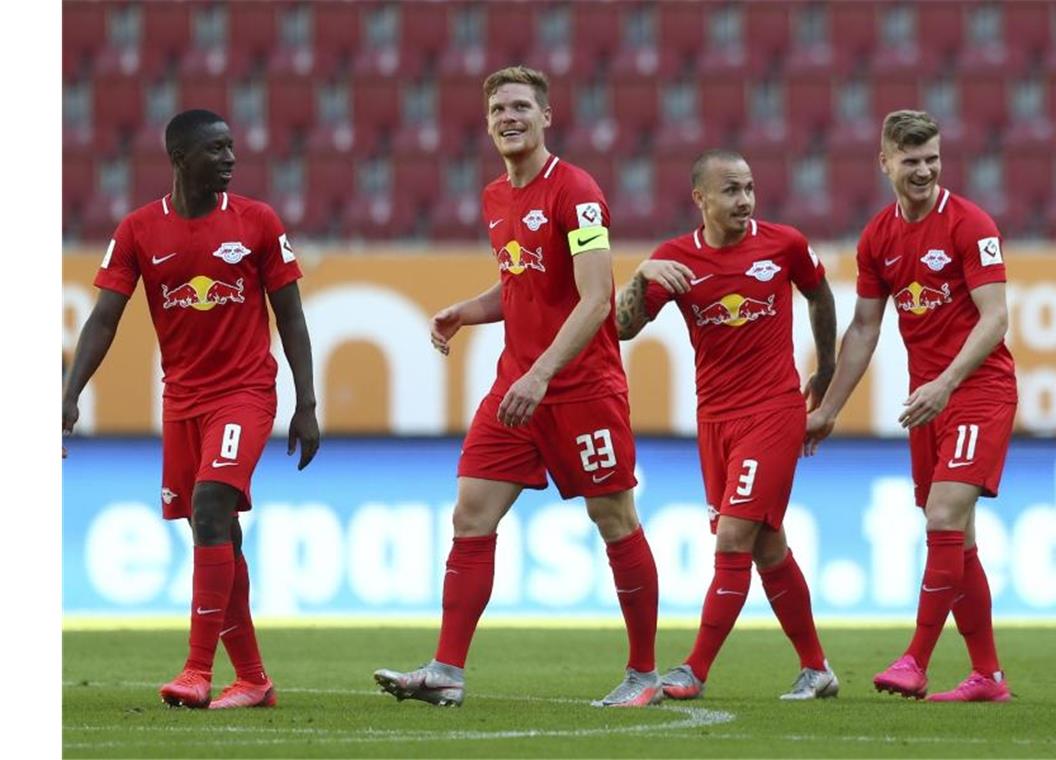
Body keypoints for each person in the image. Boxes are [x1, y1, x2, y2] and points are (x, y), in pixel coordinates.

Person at [372, 65, 661, 708]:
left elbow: (594, 300)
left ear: (546, 117)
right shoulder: (495, 197)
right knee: (470, 515)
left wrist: (541, 372)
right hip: (517, 389)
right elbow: (522, 285)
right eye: (499, 107)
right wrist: (466, 311)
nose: (510, 116)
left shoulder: (577, 194)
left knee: (613, 518)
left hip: (580, 388)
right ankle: (446, 671)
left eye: (522, 107)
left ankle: (643, 675)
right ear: (487, 121)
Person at [62, 109, 320, 709]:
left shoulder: (258, 223)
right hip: (182, 402)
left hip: (245, 392)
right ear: (181, 158)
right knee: (218, 532)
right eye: (217, 149)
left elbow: (291, 315)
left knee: (210, 505)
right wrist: (71, 392)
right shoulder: (138, 231)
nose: (231, 158)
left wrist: (305, 403)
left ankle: (196, 671)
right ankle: (253, 679)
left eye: (232, 147)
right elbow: (104, 319)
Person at [804, 110, 1017, 702]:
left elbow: (996, 318)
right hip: (930, 401)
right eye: (911, 161)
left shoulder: (971, 225)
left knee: (943, 516)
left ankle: (915, 661)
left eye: (932, 160)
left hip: (976, 389)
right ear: (885, 162)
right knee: (960, 540)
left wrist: (946, 382)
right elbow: (864, 330)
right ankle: (988, 677)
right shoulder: (878, 238)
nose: (924, 171)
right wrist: (829, 408)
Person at [614, 149, 840, 700]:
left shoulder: (783, 244)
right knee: (767, 546)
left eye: (749, 188)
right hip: (715, 420)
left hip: (774, 411)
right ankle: (818, 669)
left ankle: (693, 669)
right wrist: (642, 276)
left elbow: (820, 295)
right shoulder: (674, 260)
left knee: (735, 537)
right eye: (731, 191)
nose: (744, 201)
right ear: (701, 199)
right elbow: (622, 328)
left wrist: (827, 367)